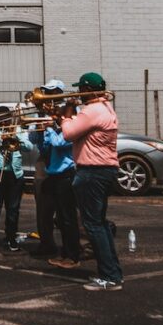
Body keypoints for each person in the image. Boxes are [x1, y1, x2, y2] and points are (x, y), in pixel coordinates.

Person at [60, 71, 122, 291]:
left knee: (93, 225)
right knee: (100, 224)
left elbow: (67, 133)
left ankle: (109, 276)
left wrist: (67, 111)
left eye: (80, 90)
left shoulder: (92, 110)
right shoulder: (106, 108)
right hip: (104, 170)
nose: (78, 93)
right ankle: (113, 272)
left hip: (92, 171)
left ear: (87, 90)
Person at [30, 82, 83, 268]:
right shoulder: (44, 114)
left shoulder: (71, 114)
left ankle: (74, 251)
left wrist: (52, 125)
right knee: (50, 210)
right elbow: (37, 142)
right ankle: (53, 245)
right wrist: (41, 128)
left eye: (53, 93)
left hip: (65, 169)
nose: (49, 96)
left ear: (60, 93)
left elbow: (63, 141)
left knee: (68, 215)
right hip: (50, 164)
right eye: (46, 93)